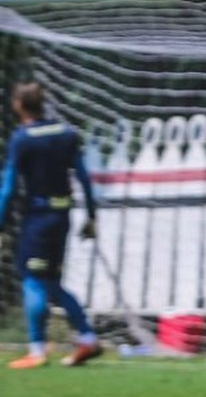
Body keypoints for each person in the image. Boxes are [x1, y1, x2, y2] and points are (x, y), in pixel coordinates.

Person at [0, 82, 102, 369]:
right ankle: (87, 337)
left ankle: (37, 350)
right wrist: (92, 216)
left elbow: (7, 188)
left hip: (38, 217)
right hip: (63, 217)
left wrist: (0, 224)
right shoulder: (66, 133)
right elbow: (83, 177)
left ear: (18, 105)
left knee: (32, 280)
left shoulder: (22, 139)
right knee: (52, 282)